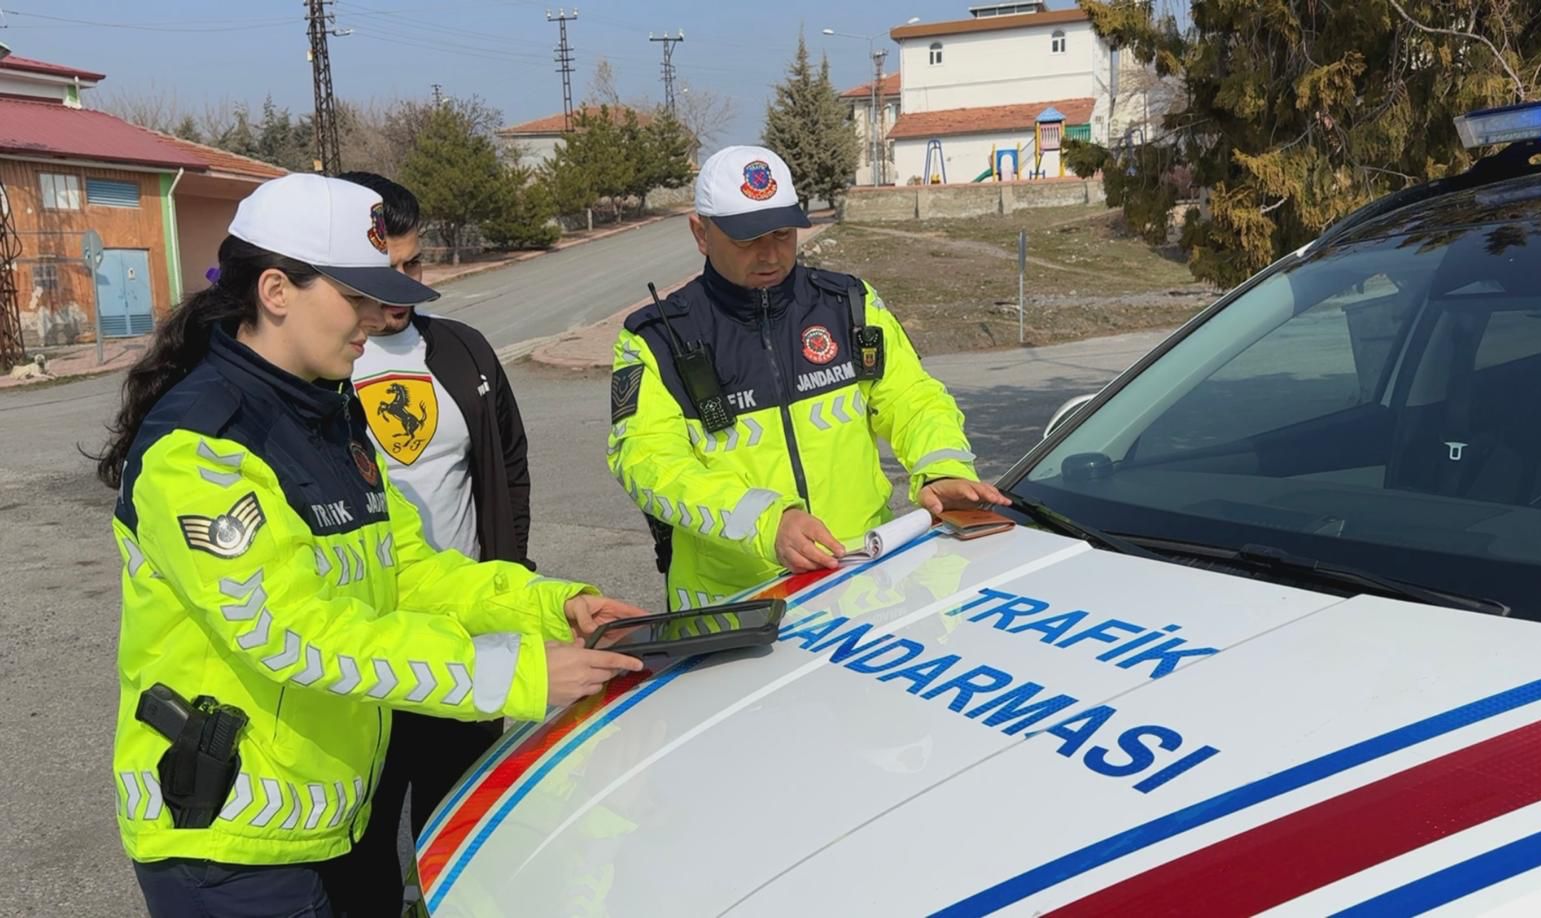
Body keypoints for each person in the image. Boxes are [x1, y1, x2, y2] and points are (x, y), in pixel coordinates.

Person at [99, 172, 645, 917]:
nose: (376, 315)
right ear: (276, 291)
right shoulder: (204, 447)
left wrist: (553, 607)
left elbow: (405, 570)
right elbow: (289, 632)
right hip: (229, 846)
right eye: (354, 296)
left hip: (324, 821)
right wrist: (511, 675)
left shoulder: (328, 413)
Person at [607, 145, 1008, 609]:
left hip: (863, 584)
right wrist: (767, 523)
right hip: (735, 608)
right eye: (746, 238)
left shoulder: (848, 304)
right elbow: (648, 462)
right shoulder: (657, 338)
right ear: (701, 233)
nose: (770, 254)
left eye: (782, 233)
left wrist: (941, 469)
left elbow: (912, 398)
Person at [334, 171, 537, 912]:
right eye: (384, 269)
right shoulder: (319, 367)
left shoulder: (463, 353)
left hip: (464, 632)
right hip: (361, 650)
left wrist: (510, 578)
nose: (401, 286)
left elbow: (507, 466)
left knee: (464, 830)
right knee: (362, 846)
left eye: (414, 265)